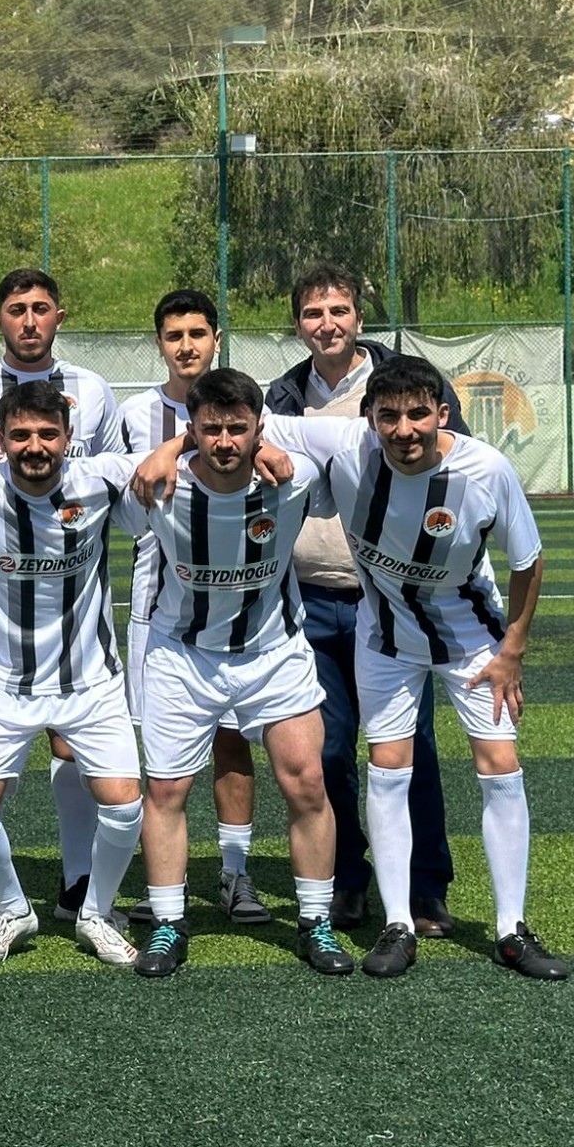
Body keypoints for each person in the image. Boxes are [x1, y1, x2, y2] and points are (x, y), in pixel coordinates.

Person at [265, 357, 565, 980]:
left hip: (472, 641)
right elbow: (245, 419)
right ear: (369, 418)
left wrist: (512, 651)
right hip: (386, 638)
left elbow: (528, 560)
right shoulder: (345, 445)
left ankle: (511, 930)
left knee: (499, 764)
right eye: (389, 416)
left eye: (418, 414)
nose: (404, 429)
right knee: (388, 766)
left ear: (442, 414)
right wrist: (175, 449)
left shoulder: (485, 470)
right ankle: (398, 923)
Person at [126, 368, 354, 979]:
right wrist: (168, 449)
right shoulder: (157, 485)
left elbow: (352, 452)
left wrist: (270, 447)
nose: (224, 441)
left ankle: (316, 922)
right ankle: (169, 924)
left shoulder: (295, 478)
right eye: (211, 429)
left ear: (258, 428)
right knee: (167, 793)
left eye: (237, 428)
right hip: (182, 656)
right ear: (192, 429)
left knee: (307, 785)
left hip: (273, 654)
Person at [0, 268, 124, 934]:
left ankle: (78, 879)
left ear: (60, 315)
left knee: (73, 745)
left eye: (40, 308)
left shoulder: (93, 389)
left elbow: (120, 475)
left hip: (72, 601)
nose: (29, 320)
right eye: (16, 309)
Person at [264, 264, 457, 934]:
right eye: (313, 313)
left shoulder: (405, 384)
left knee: (409, 746)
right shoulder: (283, 397)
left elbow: (452, 469)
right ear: (298, 324)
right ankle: (347, 878)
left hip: (394, 601)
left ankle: (426, 887)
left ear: (359, 318)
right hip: (310, 601)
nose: (328, 324)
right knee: (327, 751)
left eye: (339, 310)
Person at [0, 382, 146, 968]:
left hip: (89, 679)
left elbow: (176, 458)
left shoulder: (100, 479)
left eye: (48, 434)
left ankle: (96, 912)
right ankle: (13, 909)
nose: (35, 446)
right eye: (22, 435)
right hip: (1, 681)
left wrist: (182, 449)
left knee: (124, 803)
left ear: (68, 437)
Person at [118, 290, 267, 926]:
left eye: (198, 333)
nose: (186, 346)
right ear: (159, 343)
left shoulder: (245, 404)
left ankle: (235, 872)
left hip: (238, 607)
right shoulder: (133, 413)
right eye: (174, 335)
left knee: (233, 741)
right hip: (159, 605)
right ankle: (166, 885)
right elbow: (118, 486)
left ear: (216, 338)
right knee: (162, 760)